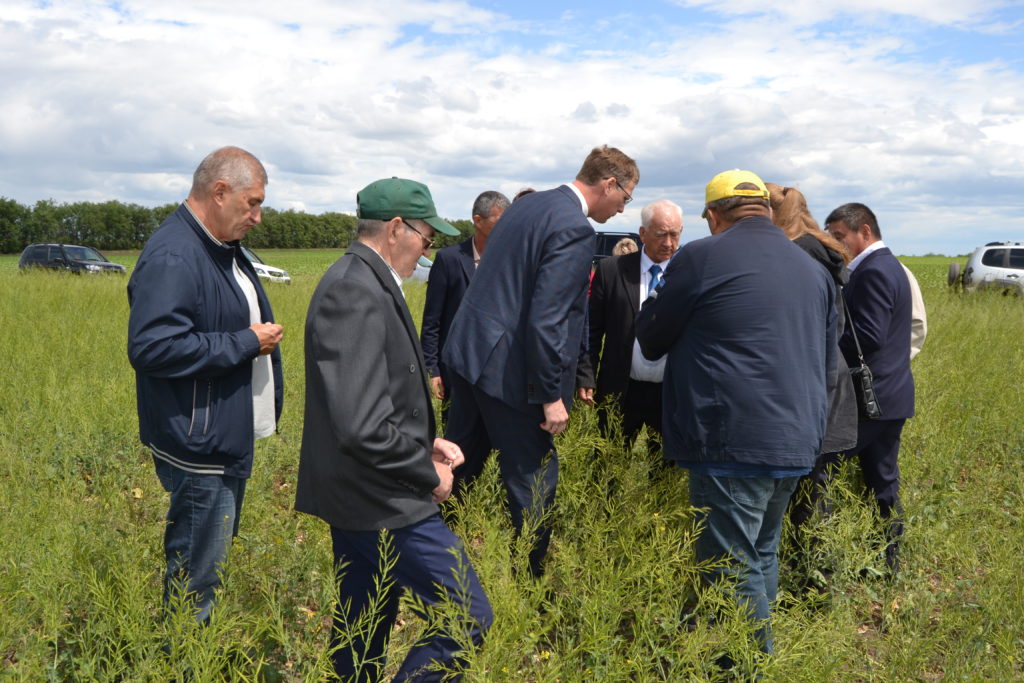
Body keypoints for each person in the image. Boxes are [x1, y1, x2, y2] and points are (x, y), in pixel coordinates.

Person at [295, 177, 492, 681]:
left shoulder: (364, 281)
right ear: (397, 229)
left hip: (366, 492)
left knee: (364, 625)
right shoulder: (353, 290)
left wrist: (425, 441)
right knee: (467, 615)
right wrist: (428, 474)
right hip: (381, 498)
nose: (427, 254)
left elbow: (367, 400)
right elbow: (360, 426)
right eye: (427, 239)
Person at [636, 170, 834, 655]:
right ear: (765, 209)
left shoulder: (701, 257)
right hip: (798, 437)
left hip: (731, 437)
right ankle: (714, 652)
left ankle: (749, 666)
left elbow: (652, 337)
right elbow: (829, 362)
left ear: (712, 216)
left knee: (731, 564)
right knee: (760, 552)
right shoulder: (813, 267)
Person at [443, 145, 639, 577]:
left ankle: (429, 562)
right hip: (512, 375)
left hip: (474, 359)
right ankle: (528, 585)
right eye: (626, 197)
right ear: (608, 184)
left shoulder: (526, 208)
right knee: (533, 483)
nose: (624, 207)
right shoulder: (573, 227)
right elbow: (549, 318)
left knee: (458, 466)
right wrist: (551, 395)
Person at [127, 146, 284, 623]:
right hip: (199, 445)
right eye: (252, 202)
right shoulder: (176, 253)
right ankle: (183, 660)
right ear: (219, 192)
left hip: (222, 432)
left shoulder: (219, 247)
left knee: (207, 566)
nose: (257, 216)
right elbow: (151, 348)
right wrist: (243, 343)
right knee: (196, 577)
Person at [766, 183, 858, 571]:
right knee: (816, 493)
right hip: (828, 386)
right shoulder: (820, 247)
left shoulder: (797, 252)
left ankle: (814, 583)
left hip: (817, 389)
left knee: (810, 498)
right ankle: (814, 579)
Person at [825, 202, 915, 575]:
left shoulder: (875, 270)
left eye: (840, 237)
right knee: (882, 481)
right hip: (890, 396)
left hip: (870, 399)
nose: (836, 244)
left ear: (865, 231)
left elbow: (869, 336)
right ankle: (889, 561)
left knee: (821, 468)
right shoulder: (886, 266)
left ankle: (822, 563)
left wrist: (823, 343)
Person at [576, 199, 683, 451]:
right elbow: (592, 330)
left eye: (674, 234)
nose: (668, 243)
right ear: (643, 234)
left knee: (664, 476)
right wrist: (586, 375)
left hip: (670, 394)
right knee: (607, 469)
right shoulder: (611, 270)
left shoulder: (689, 274)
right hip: (620, 390)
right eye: (660, 235)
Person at [421, 190, 510, 418]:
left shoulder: (510, 261)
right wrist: (433, 370)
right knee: (456, 441)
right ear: (477, 221)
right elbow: (433, 320)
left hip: (500, 374)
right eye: (500, 220)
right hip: (455, 371)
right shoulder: (449, 259)